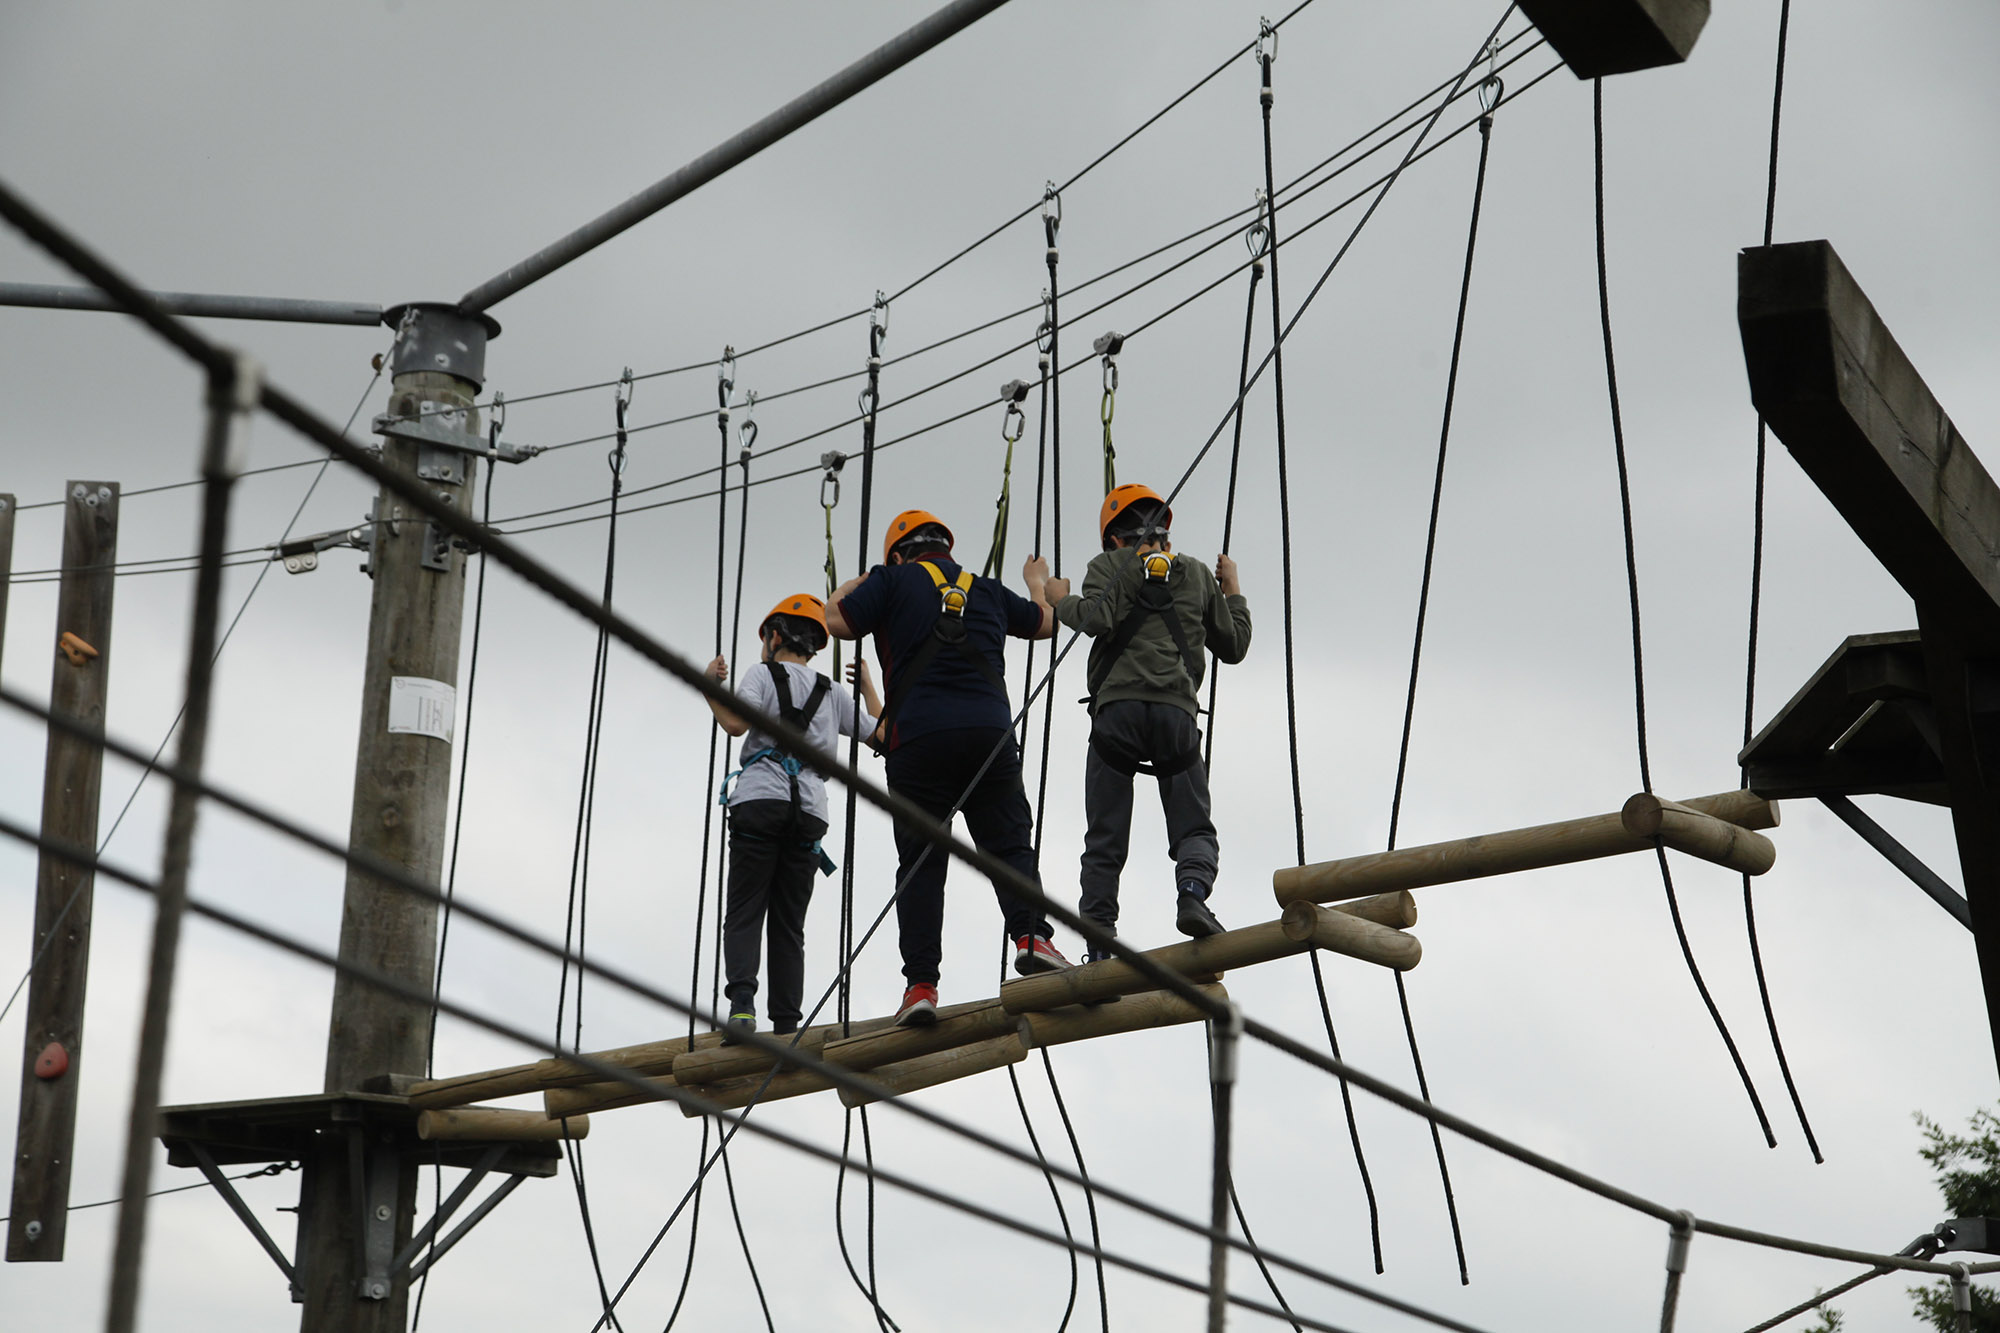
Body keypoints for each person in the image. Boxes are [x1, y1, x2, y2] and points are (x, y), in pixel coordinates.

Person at [826, 509, 1068, 1027]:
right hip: (988, 735)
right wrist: (1036, 584)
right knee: (1008, 844)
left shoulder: (890, 580)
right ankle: (1033, 937)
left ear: (898, 553)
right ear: (947, 550)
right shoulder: (985, 588)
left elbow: (836, 621)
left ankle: (920, 986)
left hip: (919, 742)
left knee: (921, 863)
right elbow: (1046, 623)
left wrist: (860, 581)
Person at [1043, 483, 1251, 960]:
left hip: (1118, 712)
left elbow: (1096, 618)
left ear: (1115, 540)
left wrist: (1057, 597)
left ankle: (1099, 940)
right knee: (1193, 825)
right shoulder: (1196, 574)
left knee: (1106, 834)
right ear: (1166, 538)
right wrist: (1232, 589)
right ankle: (1193, 894)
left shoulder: (1108, 566)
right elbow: (1235, 646)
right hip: (1176, 712)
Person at [706, 593, 883, 1042]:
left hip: (761, 800)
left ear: (775, 636)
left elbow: (734, 723)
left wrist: (710, 686)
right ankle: (786, 1025)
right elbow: (882, 734)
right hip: (808, 810)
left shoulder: (761, 675)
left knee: (746, 911)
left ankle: (742, 1008)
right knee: (789, 924)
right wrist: (867, 688)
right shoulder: (833, 692)